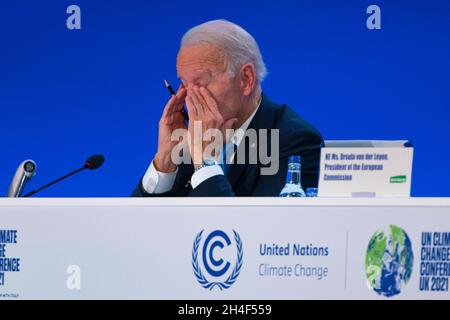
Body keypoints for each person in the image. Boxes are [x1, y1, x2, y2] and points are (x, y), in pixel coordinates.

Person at [132, 20, 323, 197]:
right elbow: (135, 229)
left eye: (200, 83)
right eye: (183, 84)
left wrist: (205, 161)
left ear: (246, 79)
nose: (188, 99)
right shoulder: (190, 138)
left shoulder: (296, 142)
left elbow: (259, 230)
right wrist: (165, 161)